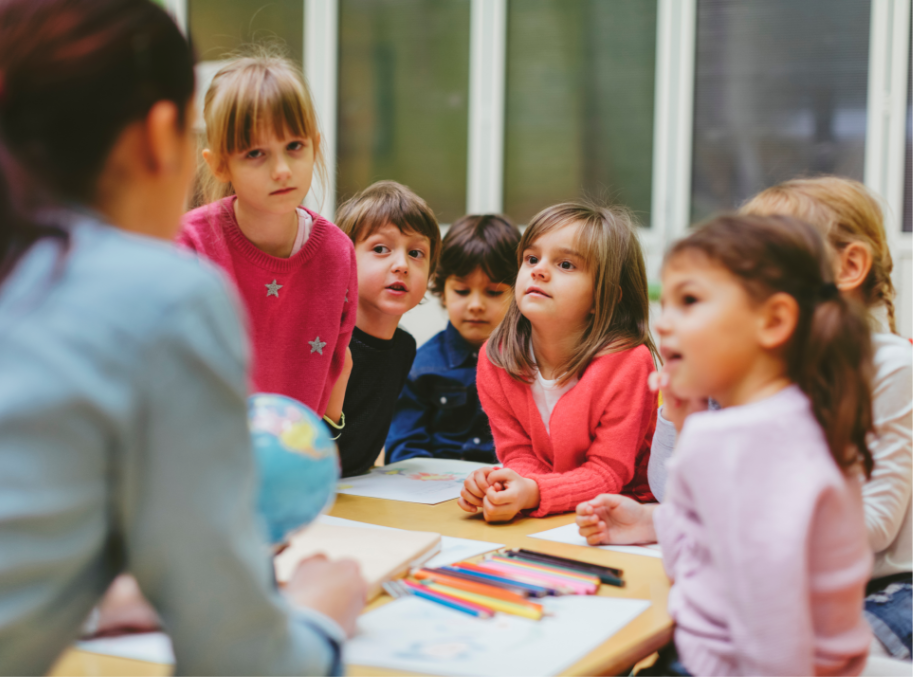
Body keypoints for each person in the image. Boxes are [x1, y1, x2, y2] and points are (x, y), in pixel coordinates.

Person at [0, 2, 365, 675]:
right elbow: (241, 659)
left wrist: (91, 597)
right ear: (162, 134)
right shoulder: (161, 294)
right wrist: (317, 612)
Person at [580, 177, 913, 662]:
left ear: (849, 266)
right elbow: (684, 492)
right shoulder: (750, 367)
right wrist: (665, 494)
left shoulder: (887, 365)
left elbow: (874, 524)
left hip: (880, 587)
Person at [638, 214, 875, 676]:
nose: (663, 324)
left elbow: (772, 621)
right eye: (663, 303)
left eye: (689, 301)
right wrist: (687, 424)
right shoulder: (809, 418)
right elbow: (697, 562)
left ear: (773, 321)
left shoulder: (735, 443)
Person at [177, 51, 355, 425]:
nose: (281, 170)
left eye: (294, 147)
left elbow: (337, 360)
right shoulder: (188, 244)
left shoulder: (338, 253)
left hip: (296, 466)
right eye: (256, 153)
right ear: (219, 164)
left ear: (315, 145)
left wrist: (327, 438)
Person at [458, 202, 658, 522]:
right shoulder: (495, 360)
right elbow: (518, 455)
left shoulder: (630, 363)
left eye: (565, 264)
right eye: (531, 258)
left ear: (604, 296)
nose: (539, 270)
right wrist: (509, 486)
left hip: (625, 513)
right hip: (553, 514)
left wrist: (533, 491)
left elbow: (609, 472)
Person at [385, 214, 520, 464]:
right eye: (462, 291)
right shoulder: (420, 367)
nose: (476, 305)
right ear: (443, 291)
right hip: (434, 493)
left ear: (518, 293)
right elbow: (404, 451)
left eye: (493, 292)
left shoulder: (533, 364)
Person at [334, 181, 442, 477]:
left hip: (359, 487)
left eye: (416, 253)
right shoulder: (325, 341)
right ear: (345, 260)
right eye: (381, 249)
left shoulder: (404, 347)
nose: (402, 265)